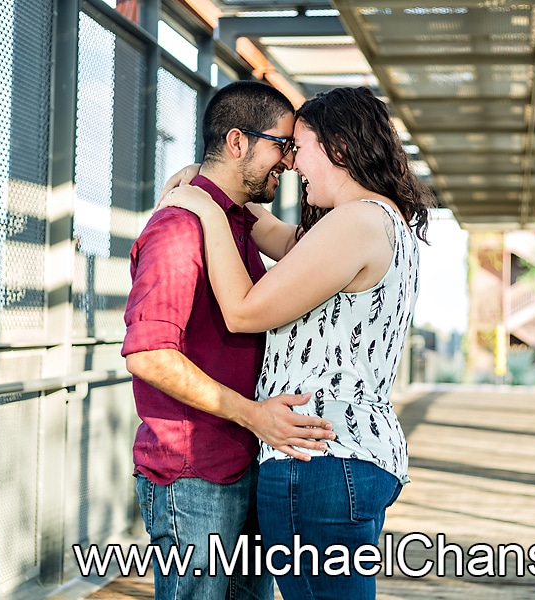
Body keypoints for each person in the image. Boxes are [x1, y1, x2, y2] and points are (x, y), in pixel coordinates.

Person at [158, 86, 436, 600]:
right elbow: (286, 241)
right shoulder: (377, 220)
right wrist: (214, 186)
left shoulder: (356, 222)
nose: (291, 162)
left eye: (299, 147)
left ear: (339, 149)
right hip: (346, 459)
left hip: (320, 461)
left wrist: (201, 207)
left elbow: (242, 312)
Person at [122, 80, 335, 600]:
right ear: (238, 142)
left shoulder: (234, 220)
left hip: (244, 459)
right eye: (280, 146)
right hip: (193, 472)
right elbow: (149, 355)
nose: (287, 162)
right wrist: (252, 413)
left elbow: (307, 247)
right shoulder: (179, 228)